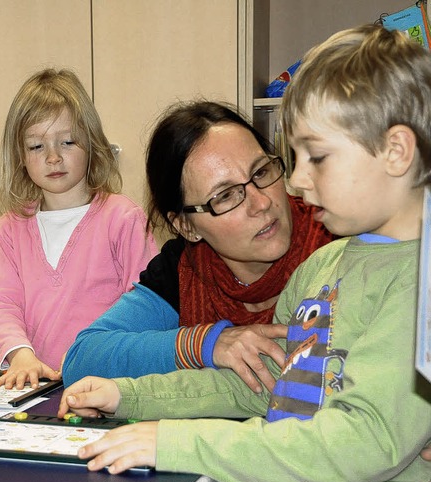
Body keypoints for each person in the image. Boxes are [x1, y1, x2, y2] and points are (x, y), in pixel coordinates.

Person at [58, 24, 431, 482]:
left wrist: (177, 443)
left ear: (397, 151)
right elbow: (268, 386)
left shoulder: (418, 283)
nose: (294, 183)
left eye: (315, 158)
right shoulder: (322, 268)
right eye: (226, 195)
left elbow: (361, 440)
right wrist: (129, 397)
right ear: (186, 225)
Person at [62, 99, 333, 392]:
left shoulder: (336, 238)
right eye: (226, 195)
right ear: (185, 226)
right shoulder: (184, 270)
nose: (262, 203)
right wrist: (206, 343)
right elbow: (83, 358)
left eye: (261, 172)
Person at [0, 68, 157, 390]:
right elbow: (3, 302)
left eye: (67, 142)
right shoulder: (9, 229)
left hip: (111, 385)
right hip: (39, 388)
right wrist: (21, 355)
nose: (53, 157)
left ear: (92, 144)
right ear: (20, 155)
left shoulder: (123, 218)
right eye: (36, 146)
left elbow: (148, 304)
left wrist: (97, 354)